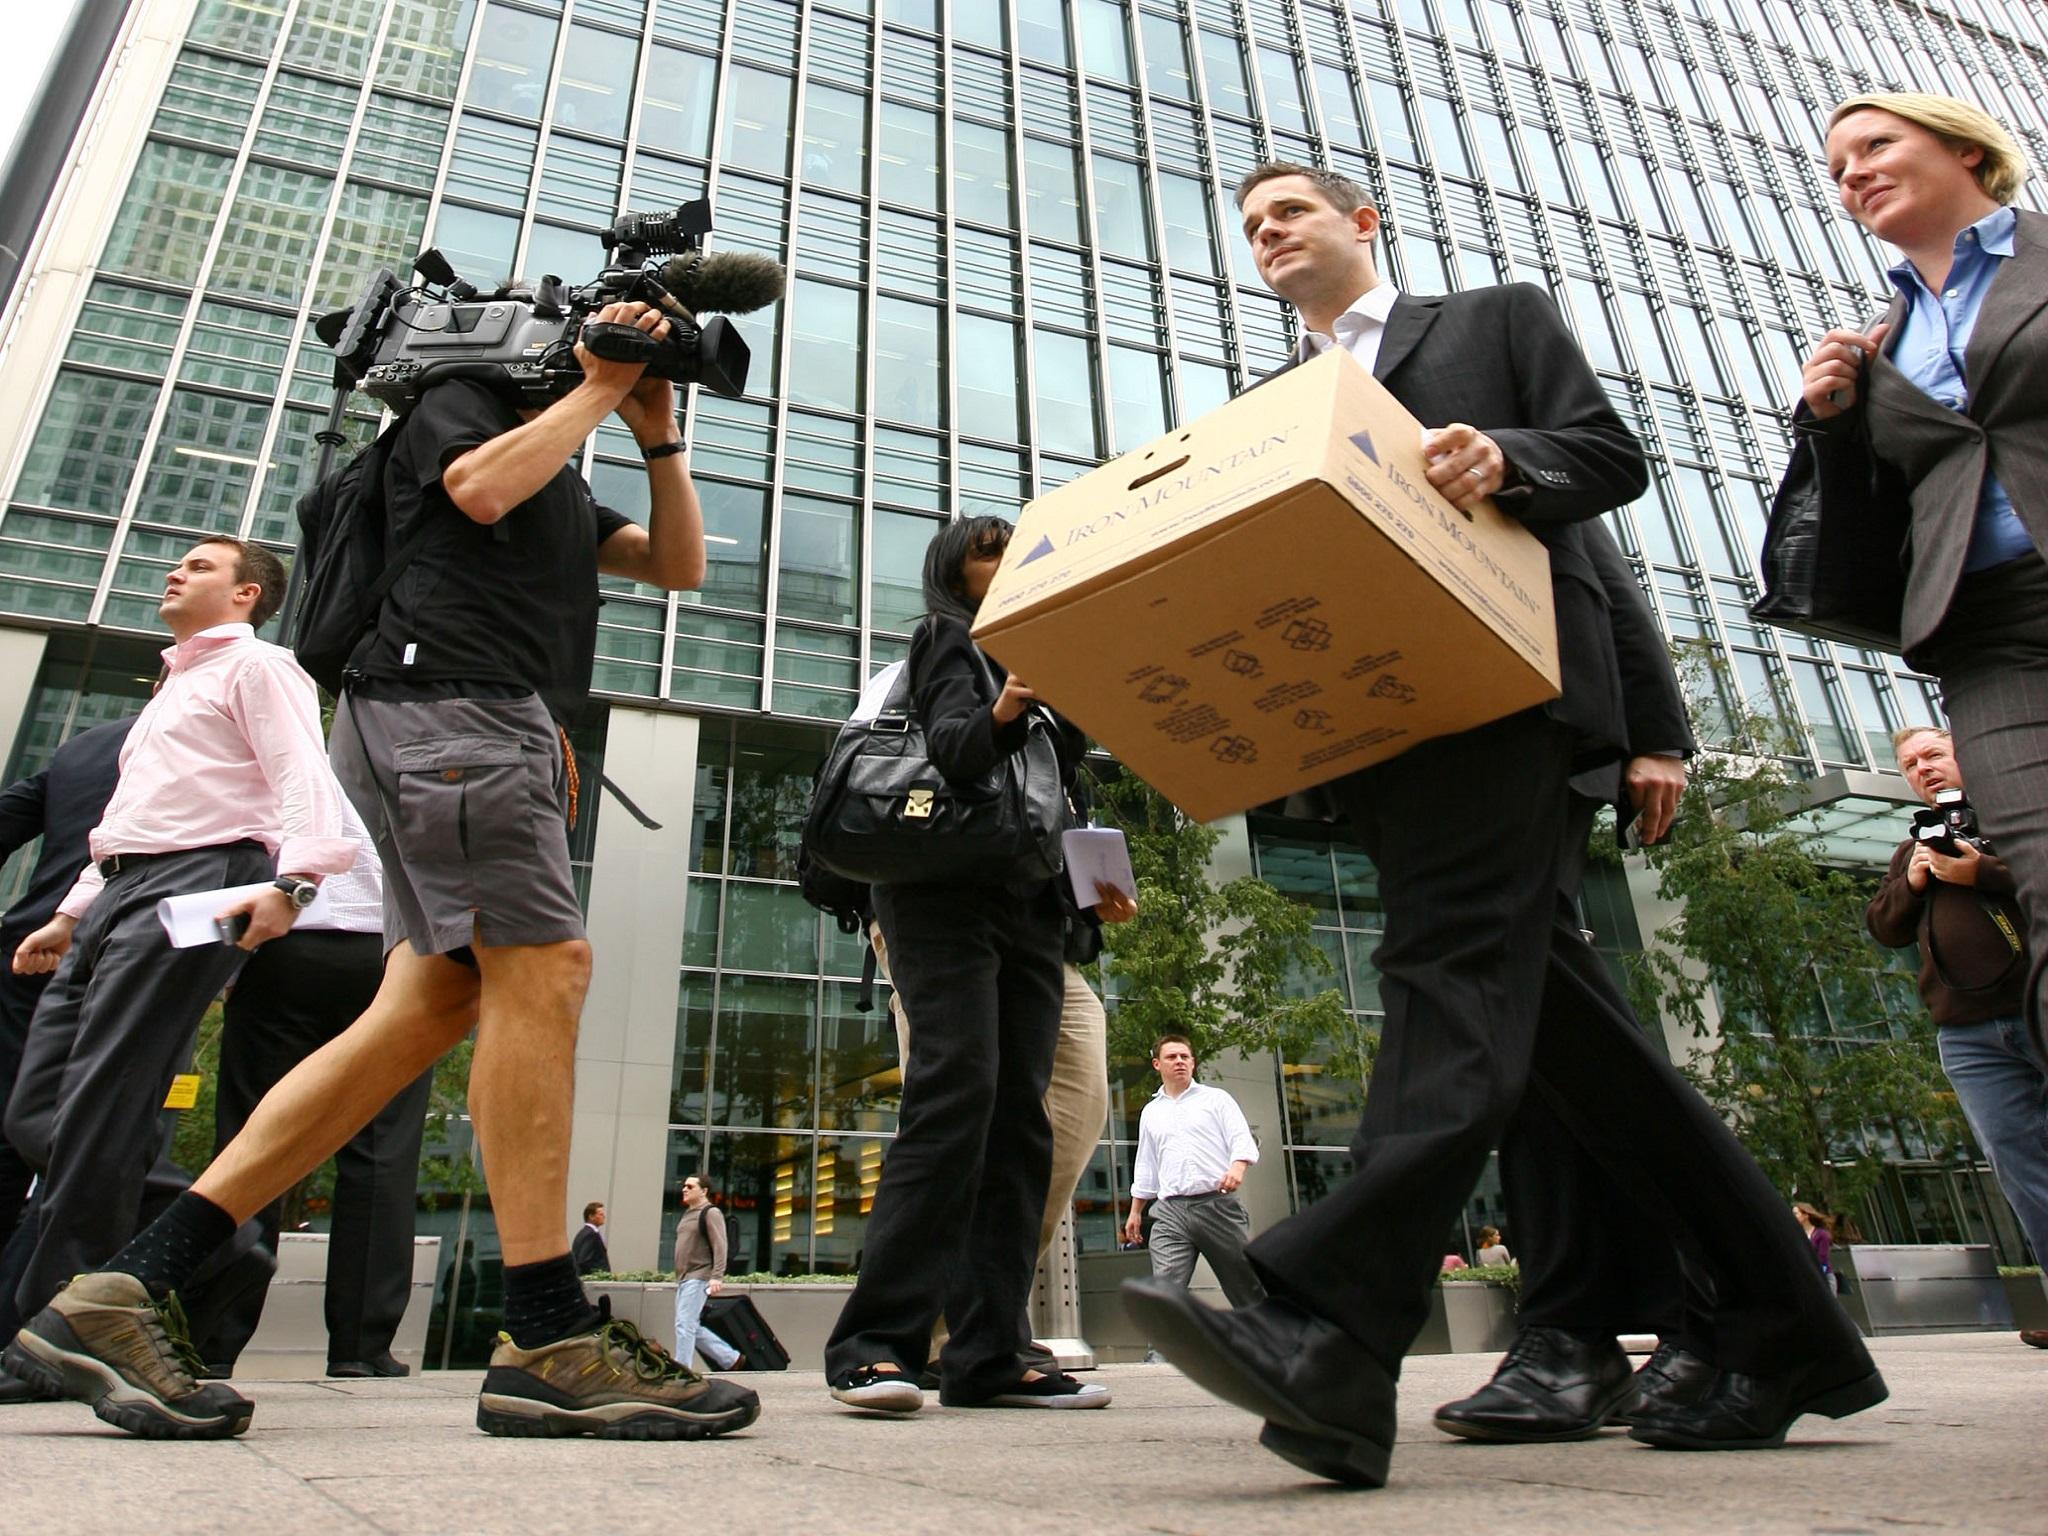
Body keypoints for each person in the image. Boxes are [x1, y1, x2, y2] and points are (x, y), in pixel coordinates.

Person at [1122, 161, 1884, 1487]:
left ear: (1364, 222)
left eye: (1288, 212)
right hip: (1384, 732)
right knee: (1574, 1053)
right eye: (1249, 230)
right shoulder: (1274, 407)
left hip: (1514, 699)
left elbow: (1603, 478)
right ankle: (1771, 1328)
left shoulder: (1491, 323)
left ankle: (1330, 1331)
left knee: (1449, 981)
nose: (1267, 236)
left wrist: (1645, 707)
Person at [6, 299, 754, 1445]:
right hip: (454, 708)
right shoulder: (458, 410)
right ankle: (549, 1332)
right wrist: (598, 385)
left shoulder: (551, 458)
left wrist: (653, 429)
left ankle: (122, 1289)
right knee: (545, 969)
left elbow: (677, 562)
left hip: (474, 723)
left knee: (427, 1002)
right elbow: (478, 490)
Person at [0, 540, 355, 1424]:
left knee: (103, 1102)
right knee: (37, 1111)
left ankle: (50, 1336)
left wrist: (295, 883)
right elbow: (134, 815)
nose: (173, 572)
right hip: (121, 889)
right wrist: (71, 914)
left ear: (244, 593)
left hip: (200, 883)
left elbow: (302, 779)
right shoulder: (174, 687)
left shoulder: (261, 666)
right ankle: (224, 1235)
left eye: (197, 566)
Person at [1437, 524, 1718, 1442]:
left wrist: (1660, 737)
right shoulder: (1329, 390)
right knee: (1547, 1042)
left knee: (1542, 1034)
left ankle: (1615, 1324)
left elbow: (1604, 577)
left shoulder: (1468, 399)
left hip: (1539, 740)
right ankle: (1645, 1319)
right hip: (1432, 760)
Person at [823, 516, 1107, 1416]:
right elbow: (953, 752)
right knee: (954, 1097)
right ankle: (875, 1345)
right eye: (990, 549)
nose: (1009, 556)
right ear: (957, 571)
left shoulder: (1049, 656)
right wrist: (1007, 707)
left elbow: (1057, 801)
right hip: (941, 894)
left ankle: (990, 1351)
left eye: (1017, 543)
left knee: (1019, 1119)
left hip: (1029, 907)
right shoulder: (949, 639)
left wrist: (1097, 886)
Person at [1794, 93, 2048, 1065]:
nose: (1850, 171)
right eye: (1834, 168)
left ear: (1962, 150)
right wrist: (1829, 419)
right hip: (1987, 631)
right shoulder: (1879, 343)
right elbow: (1872, 518)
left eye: (1873, 145)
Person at [194, 805, 434, 1380]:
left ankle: (215, 1337)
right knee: (382, 1148)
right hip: (391, 959)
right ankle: (362, 1345)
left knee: (251, 1136)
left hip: (291, 951)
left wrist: (224, 973)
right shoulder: (416, 774)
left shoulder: (298, 771)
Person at [1865, 725, 2048, 1347]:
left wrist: (1983, 874)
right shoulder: (1914, 846)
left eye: (1934, 756)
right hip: (1967, 1035)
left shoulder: (2019, 819)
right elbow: (1884, 928)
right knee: (2021, 1167)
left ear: (1964, 757)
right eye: (1912, 764)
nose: (1924, 769)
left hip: (2037, 1008)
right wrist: (1915, 880)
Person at [0, 715, 136, 1259]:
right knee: (104, 1133)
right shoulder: (218, 744)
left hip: (27, 952)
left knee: (11, 1128)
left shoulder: (88, 745)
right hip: (124, 956)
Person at [1121, 1035, 1265, 1308]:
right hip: (1170, 1212)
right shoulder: (1151, 1112)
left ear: (1193, 1062)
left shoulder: (1216, 1100)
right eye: (1172, 1057)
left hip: (1217, 1207)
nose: (1179, 1062)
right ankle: (1158, 1353)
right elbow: (1147, 1164)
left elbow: (1240, 1139)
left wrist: (1237, 1167)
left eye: (1184, 1057)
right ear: (1156, 1064)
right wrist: (1135, 1211)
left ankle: (1269, 1346)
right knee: (1164, 1292)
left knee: (1245, 1286)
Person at [672, 1176, 739, 1371]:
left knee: (684, 1325)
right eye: (683, 1186)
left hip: (698, 1276)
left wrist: (717, 1276)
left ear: (704, 1191)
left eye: (690, 1186)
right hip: (684, 1278)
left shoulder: (711, 1213)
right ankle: (731, 1358)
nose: (684, 1189)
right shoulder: (687, 1214)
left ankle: (682, 1369)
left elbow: (720, 1245)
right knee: (690, 1325)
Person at [571, 1202, 609, 1277]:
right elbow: (584, 1260)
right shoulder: (590, 1235)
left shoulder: (584, 1233)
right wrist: (598, 1275)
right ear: (591, 1216)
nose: (604, 1216)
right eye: (600, 1214)